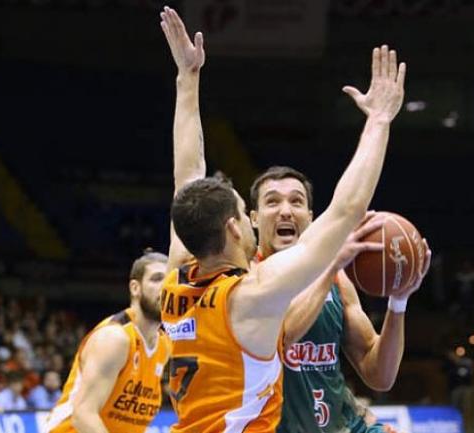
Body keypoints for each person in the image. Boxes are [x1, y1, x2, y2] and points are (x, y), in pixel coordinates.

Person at [158, 6, 407, 432]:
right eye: (246, 209)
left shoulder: (176, 277)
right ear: (237, 226)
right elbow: (346, 210)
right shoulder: (252, 294)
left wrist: (188, 78)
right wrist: (379, 121)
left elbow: (188, 175)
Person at [248, 165, 430, 433]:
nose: (285, 210)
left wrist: (398, 302)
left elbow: (380, 374)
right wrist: (331, 265)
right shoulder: (245, 277)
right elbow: (282, 334)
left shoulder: (337, 281)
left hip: (340, 425)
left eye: (296, 201)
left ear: (310, 218)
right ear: (254, 218)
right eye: (272, 201)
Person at [44, 250, 171, 433]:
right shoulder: (115, 338)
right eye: (157, 279)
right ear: (135, 288)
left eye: (169, 280)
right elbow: (83, 415)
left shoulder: (163, 345)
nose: (165, 286)